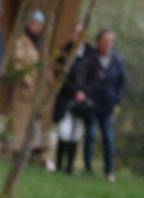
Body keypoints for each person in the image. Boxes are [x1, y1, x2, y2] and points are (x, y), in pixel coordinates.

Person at [79, 28, 126, 181]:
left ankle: (109, 170)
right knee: (90, 135)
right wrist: (84, 93)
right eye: (105, 41)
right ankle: (87, 168)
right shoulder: (90, 58)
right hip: (91, 103)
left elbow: (121, 83)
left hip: (108, 105)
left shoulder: (117, 61)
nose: (107, 44)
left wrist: (117, 100)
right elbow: (83, 78)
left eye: (110, 41)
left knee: (108, 138)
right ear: (98, 42)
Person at [6, 10, 46, 156]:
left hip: (36, 90)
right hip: (23, 88)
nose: (38, 27)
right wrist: (27, 80)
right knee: (18, 119)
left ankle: (30, 148)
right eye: (35, 24)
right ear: (29, 23)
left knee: (33, 120)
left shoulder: (40, 43)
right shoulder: (20, 41)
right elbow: (17, 63)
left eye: (40, 25)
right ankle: (14, 149)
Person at [50, 25, 89, 175]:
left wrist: (83, 92)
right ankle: (59, 163)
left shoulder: (88, 53)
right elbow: (60, 74)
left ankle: (70, 166)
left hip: (82, 99)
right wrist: (74, 91)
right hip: (66, 96)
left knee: (76, 131)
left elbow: (91, 77)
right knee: (64, 131)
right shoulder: (65, 52)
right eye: (76, 32)